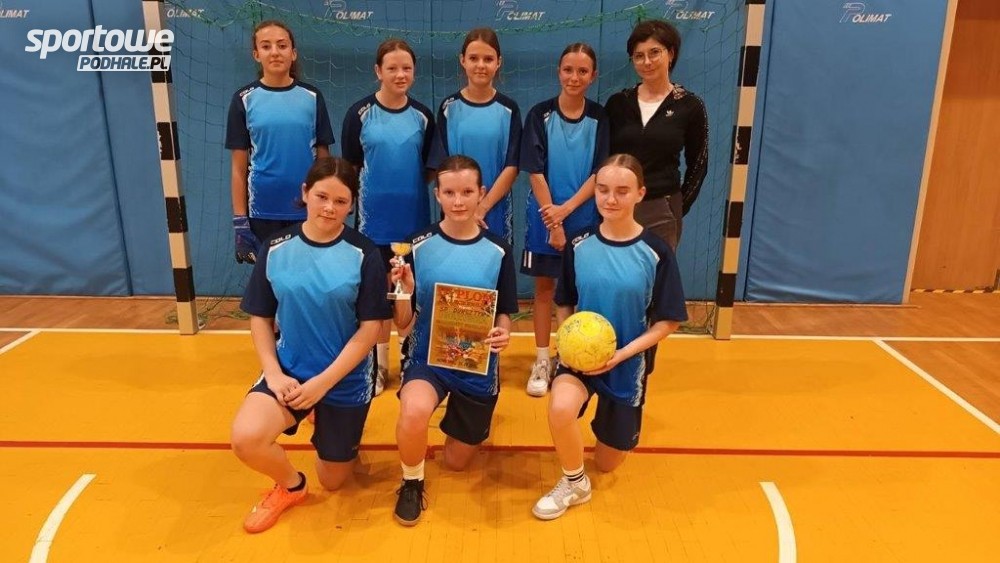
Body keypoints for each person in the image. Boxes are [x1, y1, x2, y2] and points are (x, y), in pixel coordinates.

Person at [230, 157, 390, 533]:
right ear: (305, 193)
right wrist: (272, 372)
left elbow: (370, 331)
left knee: (333, 481)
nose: (329, 208)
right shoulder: (275, 248)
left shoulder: (364, 254)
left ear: (351, 205)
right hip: (289, 371)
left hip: (344, 379)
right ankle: (291, 486)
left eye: (340, 201)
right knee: (246, 439)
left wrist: (323, 384)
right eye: (321, 196)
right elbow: (260, 318)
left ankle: (328, 422)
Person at [532, 154, 687, 521]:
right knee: (560, 408)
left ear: (640, 194)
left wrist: (621, 354)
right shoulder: (579, 244)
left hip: (626, 362)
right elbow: (565, 301)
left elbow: (668, 322)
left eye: (622, 191)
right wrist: (567, 344)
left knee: (607, 463)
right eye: (602, 190)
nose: (610, 199)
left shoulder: (656, 252)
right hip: (579, 358)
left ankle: (606, 441)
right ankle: (574, 482)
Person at [389, 155, 519, 527]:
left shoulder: (498, 249)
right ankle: (411, 482)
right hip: (427, 360)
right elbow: (403, 324)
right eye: (449, 192)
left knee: (456, 462)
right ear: (438, 195)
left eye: (466, 192)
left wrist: (504, 332)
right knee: (413, 411)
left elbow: (504, 311)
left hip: (477, 364)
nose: (458, 201)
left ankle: (461, 422)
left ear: (481, 193)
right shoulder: (417, 247)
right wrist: (404, 291)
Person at [342, 38, 435, 396]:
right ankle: (379, 365)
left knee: (408, 296)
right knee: (378, 298)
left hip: (413, 226)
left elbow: (429, 168)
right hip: (373, 226)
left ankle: (410, 360)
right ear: (378, 71)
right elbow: (351, 166)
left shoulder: (423, 116)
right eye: (392, 68)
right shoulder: (359, 114)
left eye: (406, 68)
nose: (400, 74)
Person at [519, 42, 609, 398]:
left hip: (584, 219)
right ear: (559, 71)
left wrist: (567, 212)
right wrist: (554, 224)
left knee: (577, 292)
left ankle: (571, 358)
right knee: (544, 291)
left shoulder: (600, 118)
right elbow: (535, 172)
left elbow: (598, 172)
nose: (574, 77)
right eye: (568, 69)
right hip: (544, 218)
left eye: (582, 71)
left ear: (593, 76)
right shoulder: (539, 115)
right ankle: (542, 360)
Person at [225, 20, 335, 264]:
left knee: (308, 277)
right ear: (256, 54)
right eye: (266, 46)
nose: (275, 52)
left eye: (282, 45)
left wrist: (325, 202)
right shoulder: (243, 100)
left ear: (293, 53)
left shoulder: (312, 97)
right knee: (272, 280)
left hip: (307, 209)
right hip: (262, 211)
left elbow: (324, 162)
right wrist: (240, 221)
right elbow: (238, 168)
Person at [604, 19, 708, 251]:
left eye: (654, 53)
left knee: (656, 273)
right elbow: (603, 157)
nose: (647, 62)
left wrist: (676, 206)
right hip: (617, 207)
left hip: (662, 211)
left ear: (670, 54)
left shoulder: (690, 106)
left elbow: (699, 164)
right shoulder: (618, 103)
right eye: (639, 56)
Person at [428, 27, 522, 244]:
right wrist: (463, 206)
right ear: (462, 60)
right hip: (455, 211)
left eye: (488, 59)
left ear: (498, 62)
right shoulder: (448, 108)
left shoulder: (509, 109)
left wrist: (482, 208)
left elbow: (512, 166)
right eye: (473, 58)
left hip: (495, 212)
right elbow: (443, 166)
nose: (481, 65)